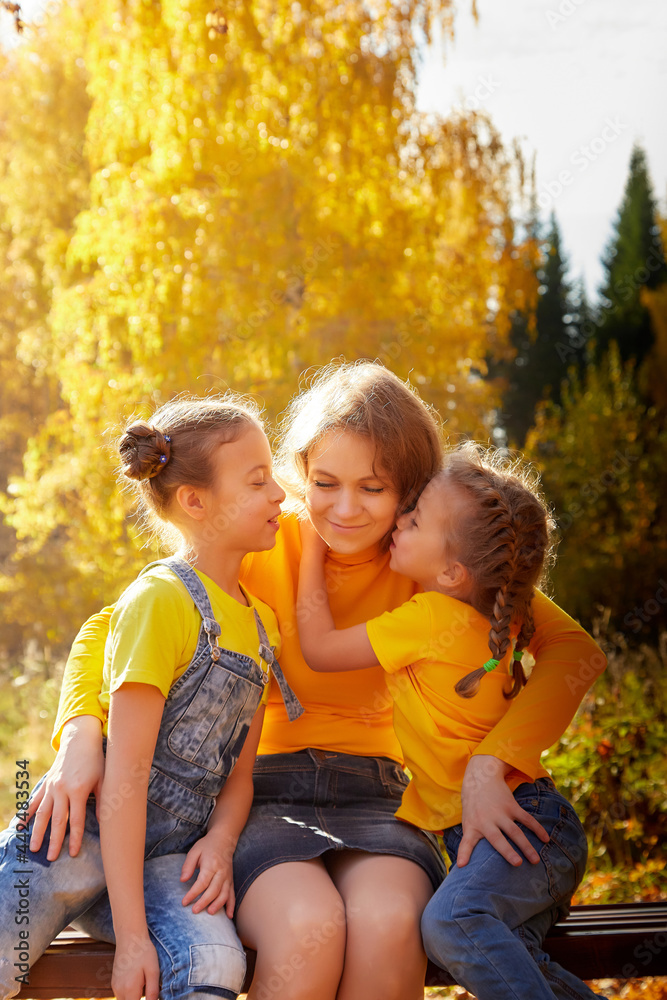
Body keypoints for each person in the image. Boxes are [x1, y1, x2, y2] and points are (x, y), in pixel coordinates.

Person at [24, 363, 605, 1000]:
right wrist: (81, 732)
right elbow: (113, 625)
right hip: (261, 793)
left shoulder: (435, 558)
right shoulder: (264, 535)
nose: (345, 509)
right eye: (324, 483)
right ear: (301, 472)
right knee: (309, 926)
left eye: (374, 489)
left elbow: (573, 650)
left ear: (410, 491)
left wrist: (493, 762)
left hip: (383, 796)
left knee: (388, 923)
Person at [0, 394, 303, 1000]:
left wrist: (218, 842)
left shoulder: (262, 625)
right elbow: (126, 782)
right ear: (195, 501)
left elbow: (238, 776)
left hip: (171, 858)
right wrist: (134, 941)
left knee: (215, 966)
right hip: (74, 838)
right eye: (258, 480)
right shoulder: (161, 601)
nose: (280, 496)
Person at [295, 442, 605, 1000]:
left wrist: (310, 549)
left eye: (412, 520)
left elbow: (317, 648)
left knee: (450, 925)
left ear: (453, 570)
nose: (399, 525)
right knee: (500, 951)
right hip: (530, 836)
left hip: (518, 829)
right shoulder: (489, 607)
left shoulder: (429, 613)